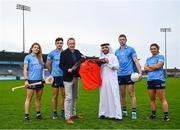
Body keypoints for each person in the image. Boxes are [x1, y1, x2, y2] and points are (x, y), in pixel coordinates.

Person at [115, 34, 142, 120]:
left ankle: (134, 112)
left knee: (131, 93)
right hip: (120, 75)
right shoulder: (116, 51)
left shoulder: (131, 49)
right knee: (122, 94)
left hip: (129, 74)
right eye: (120, 39)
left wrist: (140, 72)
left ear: (126, 40)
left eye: (123, 39)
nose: (122, 41)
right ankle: (124, 111)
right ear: (118, 41)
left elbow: (136, 61)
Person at [144, 43, 170, 121]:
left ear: (157, 49)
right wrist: (153, 67)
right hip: (150, 80)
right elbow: (145, 68)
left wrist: (150, 67)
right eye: (151, 49)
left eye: (154, 48)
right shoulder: (148, 59)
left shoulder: (161, 57)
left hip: (159, 80)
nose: (153, 50)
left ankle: (166, 117)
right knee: (152, 99)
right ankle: (153, 115)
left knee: (162, 99)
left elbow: (158, 66)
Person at [60, 37, 83, 124]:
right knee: (68, 98)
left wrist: (84, 57)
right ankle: (67, 116)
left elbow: (82, 60)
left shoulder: (77, 52)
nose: (72, 45)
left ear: (75, 43)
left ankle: (73, 114)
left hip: (76, 77)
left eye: (73, 43)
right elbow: (61, 65)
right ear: (67, 44)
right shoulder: (64, 53)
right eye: (70, 43)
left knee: (75, 96)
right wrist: (67, 70)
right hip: (67, 78)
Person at [99, 43, 122, 120]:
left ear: (109, 48)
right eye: (103, 48)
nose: (104, 49)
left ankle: (117, 115)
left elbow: (116, 67)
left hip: (112, 80)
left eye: (106, 47)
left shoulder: (113, 57)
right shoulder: (100, 58)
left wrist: (108, 62)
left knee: (114, 96)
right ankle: (103, 114)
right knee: (103, 96)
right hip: (103, 80)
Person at [24, 43, 44, 123]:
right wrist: (26, 80)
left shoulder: (40, 58)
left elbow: (42, 69)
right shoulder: (27, 57)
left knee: (38, 98)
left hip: (39, 81)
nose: (36, 49)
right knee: (29, 98)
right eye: (35, 47)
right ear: (31, 48)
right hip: (31, 80)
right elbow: (25, 69)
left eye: (38, 48)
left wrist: (43, 77)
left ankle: (38, 114)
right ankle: (26, 116)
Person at [46, 37, 65, 119]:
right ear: (55, 44)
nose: (59, 44)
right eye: (58, 43)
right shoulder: (51, 53)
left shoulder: (65, 53)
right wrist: (52, 73)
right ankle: (54, 113)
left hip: (64, 77)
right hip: (55, 77)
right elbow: (48, 65)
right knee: (55, 96)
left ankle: (63, 111)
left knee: (64, 95)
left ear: (62, 44)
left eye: (61, 43)